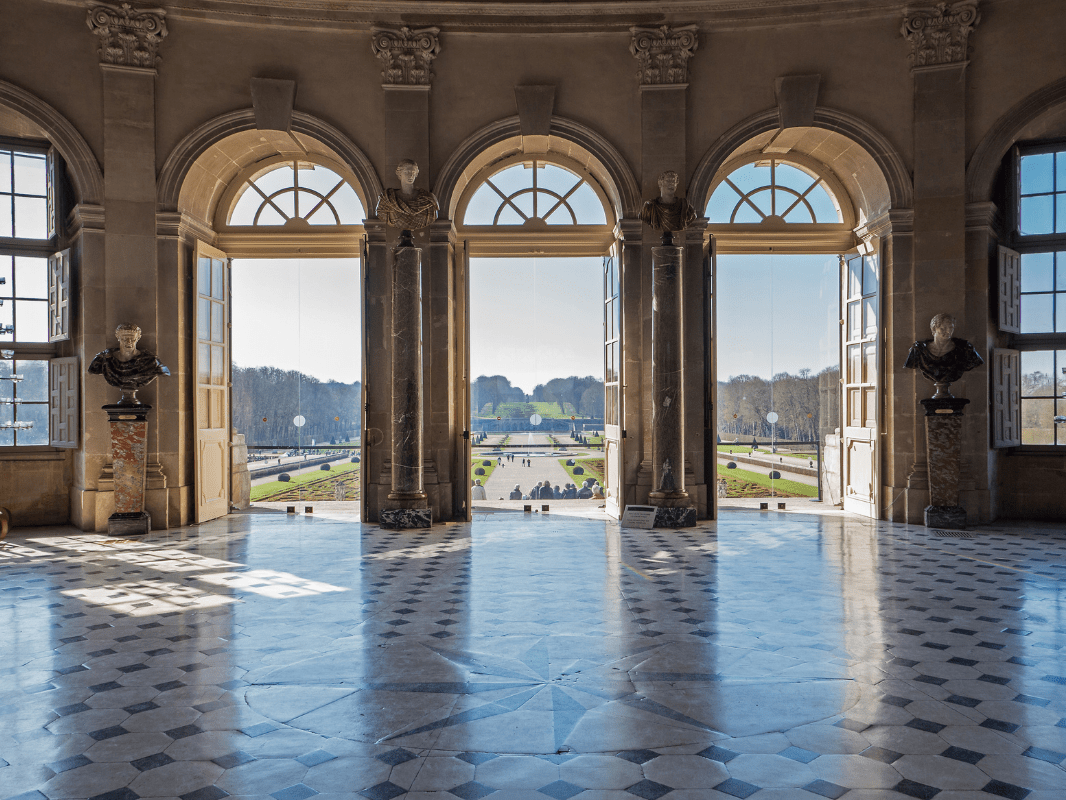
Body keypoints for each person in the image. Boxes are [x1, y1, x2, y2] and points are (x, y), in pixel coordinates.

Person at [88, 323, 170, 406]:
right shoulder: (103, 359)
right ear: (118, 337)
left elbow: (164, 371)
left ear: (138, 338)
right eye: (125, 338)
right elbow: (92, 370)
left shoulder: (151, 361)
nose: (129, 341)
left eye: (132, 338)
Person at [904, 313, 984, 397]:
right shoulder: (919, 350)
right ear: (934, 329)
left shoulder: (964, 349)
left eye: (951, 328)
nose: (948, 331)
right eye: (943, 328)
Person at [375, 159, 439, 231]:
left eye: (413, 172)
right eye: (407, 172)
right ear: (399, 173)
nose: (411, 175)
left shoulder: (428, 199)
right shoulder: (387, 199)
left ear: (416, 174)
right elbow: (381, 212)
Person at [639, 170, 698, 242]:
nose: (671, 184)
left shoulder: (686, 208)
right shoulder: (649, 207)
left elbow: (692, 217)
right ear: (660, 183)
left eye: (674, 181)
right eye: (668, 181)